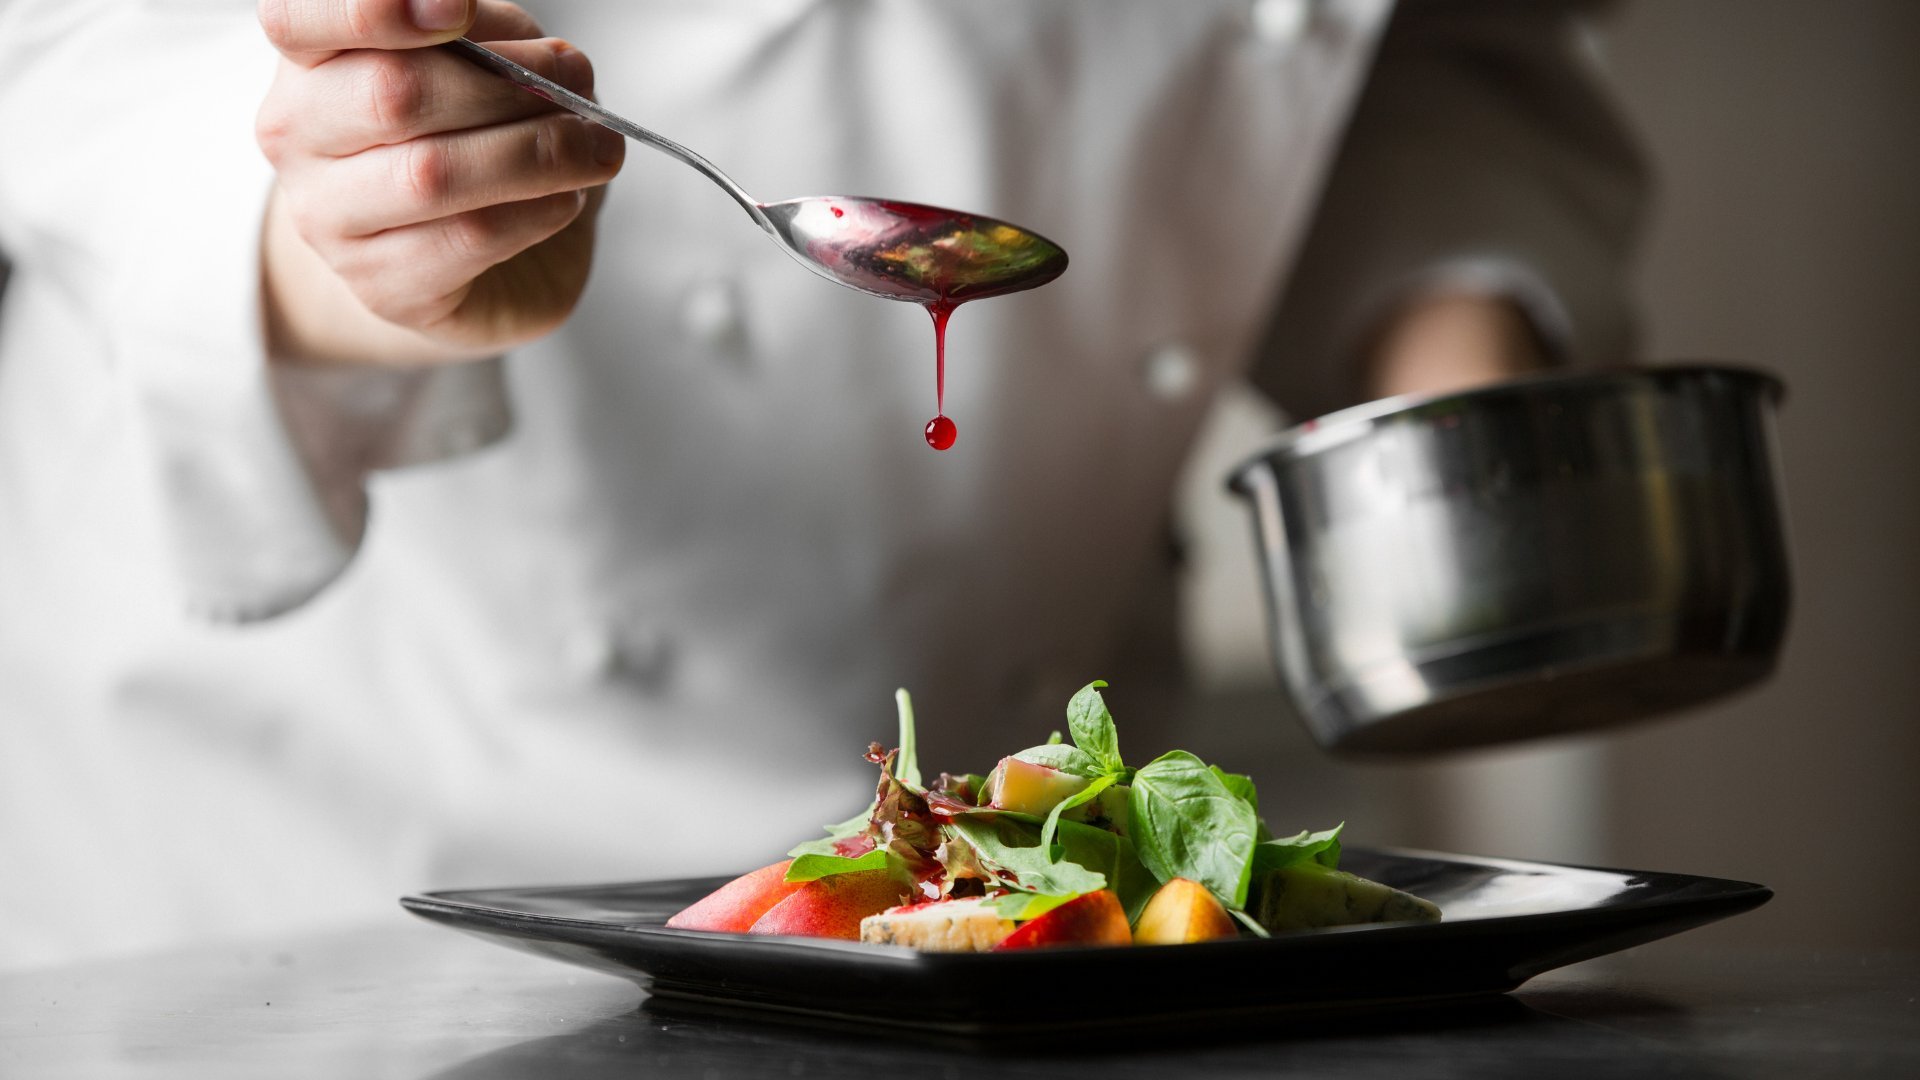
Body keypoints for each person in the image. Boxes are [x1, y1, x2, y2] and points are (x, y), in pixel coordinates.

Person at [0, 0, 1643, 968]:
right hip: (333, 864)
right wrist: (347, 229)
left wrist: (1458, 356)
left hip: (1060, 884)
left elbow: (1426, 45)